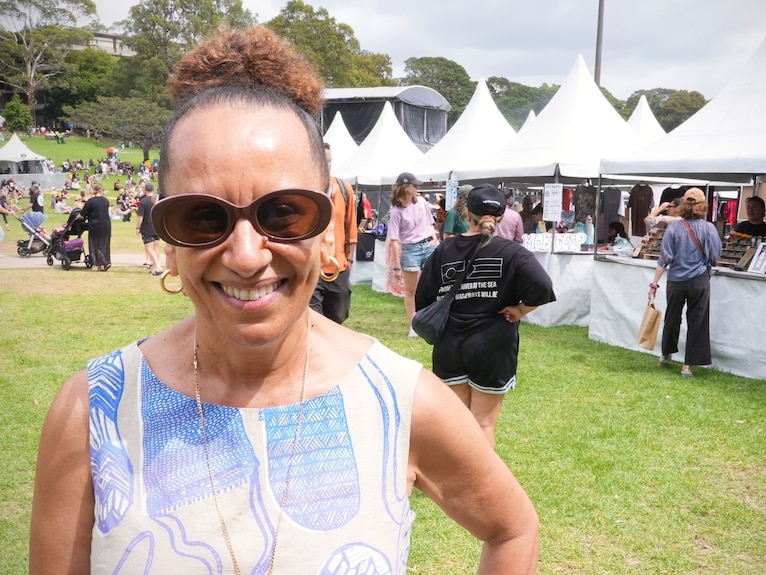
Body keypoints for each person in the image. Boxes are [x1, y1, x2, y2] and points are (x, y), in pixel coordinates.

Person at [29, 26, 538, 574]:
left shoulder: (401, 401)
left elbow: (512, 528)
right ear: (169, 240)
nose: (247, 255)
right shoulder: (92, 411)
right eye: (203, 217)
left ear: (327, 229)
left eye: (283, 213)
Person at [415, 184, 556, 447]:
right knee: (483, 423)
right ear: (502, 217)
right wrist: (521, 310)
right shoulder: (513, 253)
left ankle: (456, 482)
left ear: (467, 213)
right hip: (493, 346)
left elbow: (424, 300)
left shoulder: (443, 251)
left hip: (450, 344)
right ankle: (479, 484)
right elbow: (543, 287)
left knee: (457, 421)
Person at [648, 187, 722, 378]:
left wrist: (654, 284)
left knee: (672, 317)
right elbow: (714, 258)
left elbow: (664, 258)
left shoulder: (673, 228)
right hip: (699, 280)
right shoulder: (709, 228)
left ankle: (665, 355)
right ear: (702, 206)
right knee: (697, 321)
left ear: (684, 205)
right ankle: (687, 365)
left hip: (676, 280)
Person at [309, 143, 357, 324]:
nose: (326, 165)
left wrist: (349, 261)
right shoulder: (307, 190)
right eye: (323, 160)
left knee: (338, 314)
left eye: (329, 161)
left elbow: (352, 230)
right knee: (315, 318)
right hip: (313, 265)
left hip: (339, 266)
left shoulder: (345, 190)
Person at [387, 172, 439, 336]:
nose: (418, 188)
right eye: (415, 185)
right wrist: (396, 266)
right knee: (410, 290)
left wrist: (434, 237)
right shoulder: (396, 211)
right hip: (410, 249)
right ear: (405, 187)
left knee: (433, 284)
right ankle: (413, 325)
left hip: (428, 245)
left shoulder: (422, 202)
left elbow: (431, 223)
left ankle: (433, 320)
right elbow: (394, 240)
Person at [76, 182, 112, 271]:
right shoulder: (106, 200)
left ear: (94, 190)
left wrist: (77, 217)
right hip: (106, 225)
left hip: (95, 226)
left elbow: (82, 214)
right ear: (101, 190)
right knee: (105, 245)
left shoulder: (91, 201)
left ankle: (102, 264)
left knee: (95, 246)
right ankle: (106, 261)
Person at [136, 181, 163, 275]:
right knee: (156, 247)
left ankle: (158, 267)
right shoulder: (157, 200)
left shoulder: (143, 201)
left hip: (147, 227)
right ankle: (155, 267)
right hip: (156, 226)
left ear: (145, 190)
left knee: (149, 248)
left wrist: (138, 227)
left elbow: (140, 216)